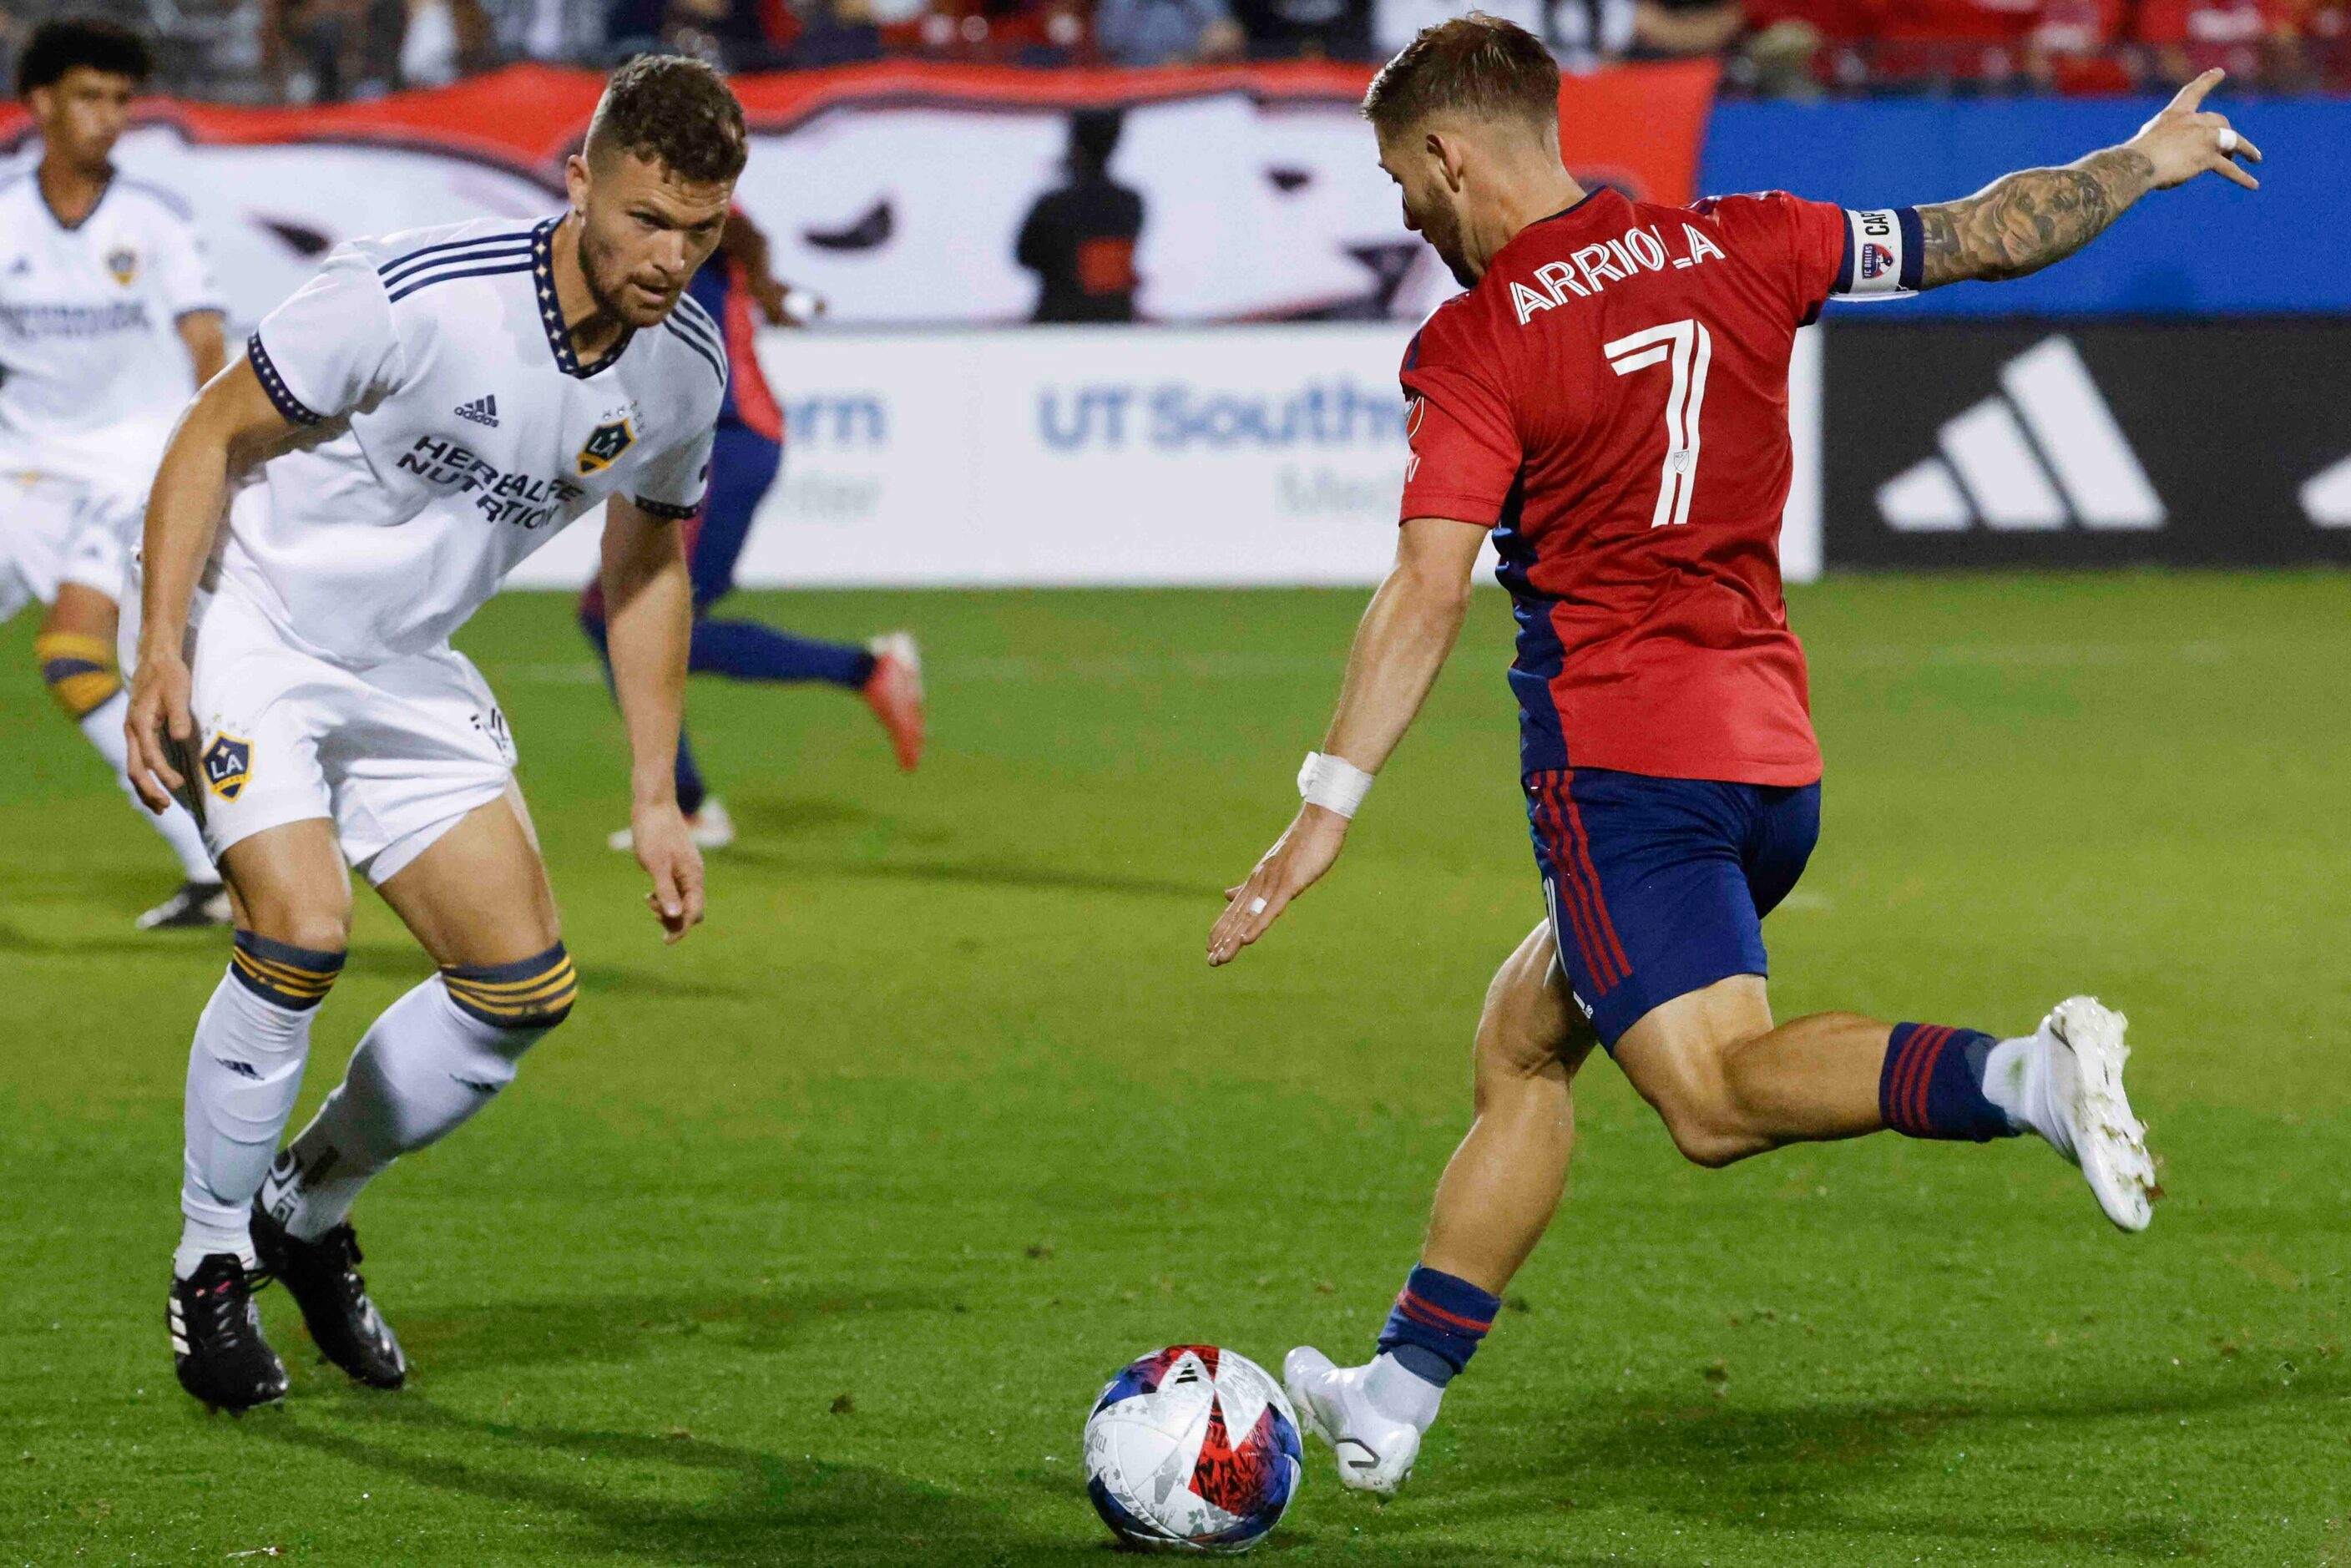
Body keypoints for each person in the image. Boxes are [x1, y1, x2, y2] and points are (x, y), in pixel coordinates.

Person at [1204, 14, 2260, 1495]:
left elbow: (1426, 585)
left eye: (1400, 183)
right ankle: (1391, 1395)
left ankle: (2023, 1073)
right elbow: (1979, 235)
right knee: (1523, 1037)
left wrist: (1323, 807)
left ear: (1448, 153)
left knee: (1707, 1100)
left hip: (1625, 774)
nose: (1406, 215)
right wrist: (2140, 162)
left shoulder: (1480, 337)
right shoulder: (1744, 239)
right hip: (1768, 763)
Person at [124, 53, 745, 1414]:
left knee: (520, 988)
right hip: (256, 623)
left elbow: (645, 566)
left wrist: (655, 791)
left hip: (403, 664)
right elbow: (208, 433)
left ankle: (301, 1205)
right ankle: (208, 1258)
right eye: (647, 216)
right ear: (578, 181)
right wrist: (163, 646)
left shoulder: (683, 372)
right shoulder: (415, 292)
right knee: (300, 930)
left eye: (702, 231)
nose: (671, 256)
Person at [581, 205, 925, 856]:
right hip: (719, 447)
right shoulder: (702, 244)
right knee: (618, 618)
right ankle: (688, 803)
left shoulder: (668, 234)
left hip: (724, 448)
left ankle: (866, 671)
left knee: (641, 622)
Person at [0, 17, 229, 929]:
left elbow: (205, 343)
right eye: (89, 95)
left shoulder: (153, 222)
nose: (108, 116)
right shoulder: (5, 215)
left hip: (128, 473)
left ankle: (213, 862)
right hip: (19, 472)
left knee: (69, 652)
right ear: (43, 103)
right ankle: (215, 869)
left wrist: (206, 464)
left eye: (121, 99)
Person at [1014, 109, 1144, 325]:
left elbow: (1024, 256)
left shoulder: (1052, 205)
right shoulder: (1129, 202)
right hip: (1114, 317)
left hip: (1059, 319)